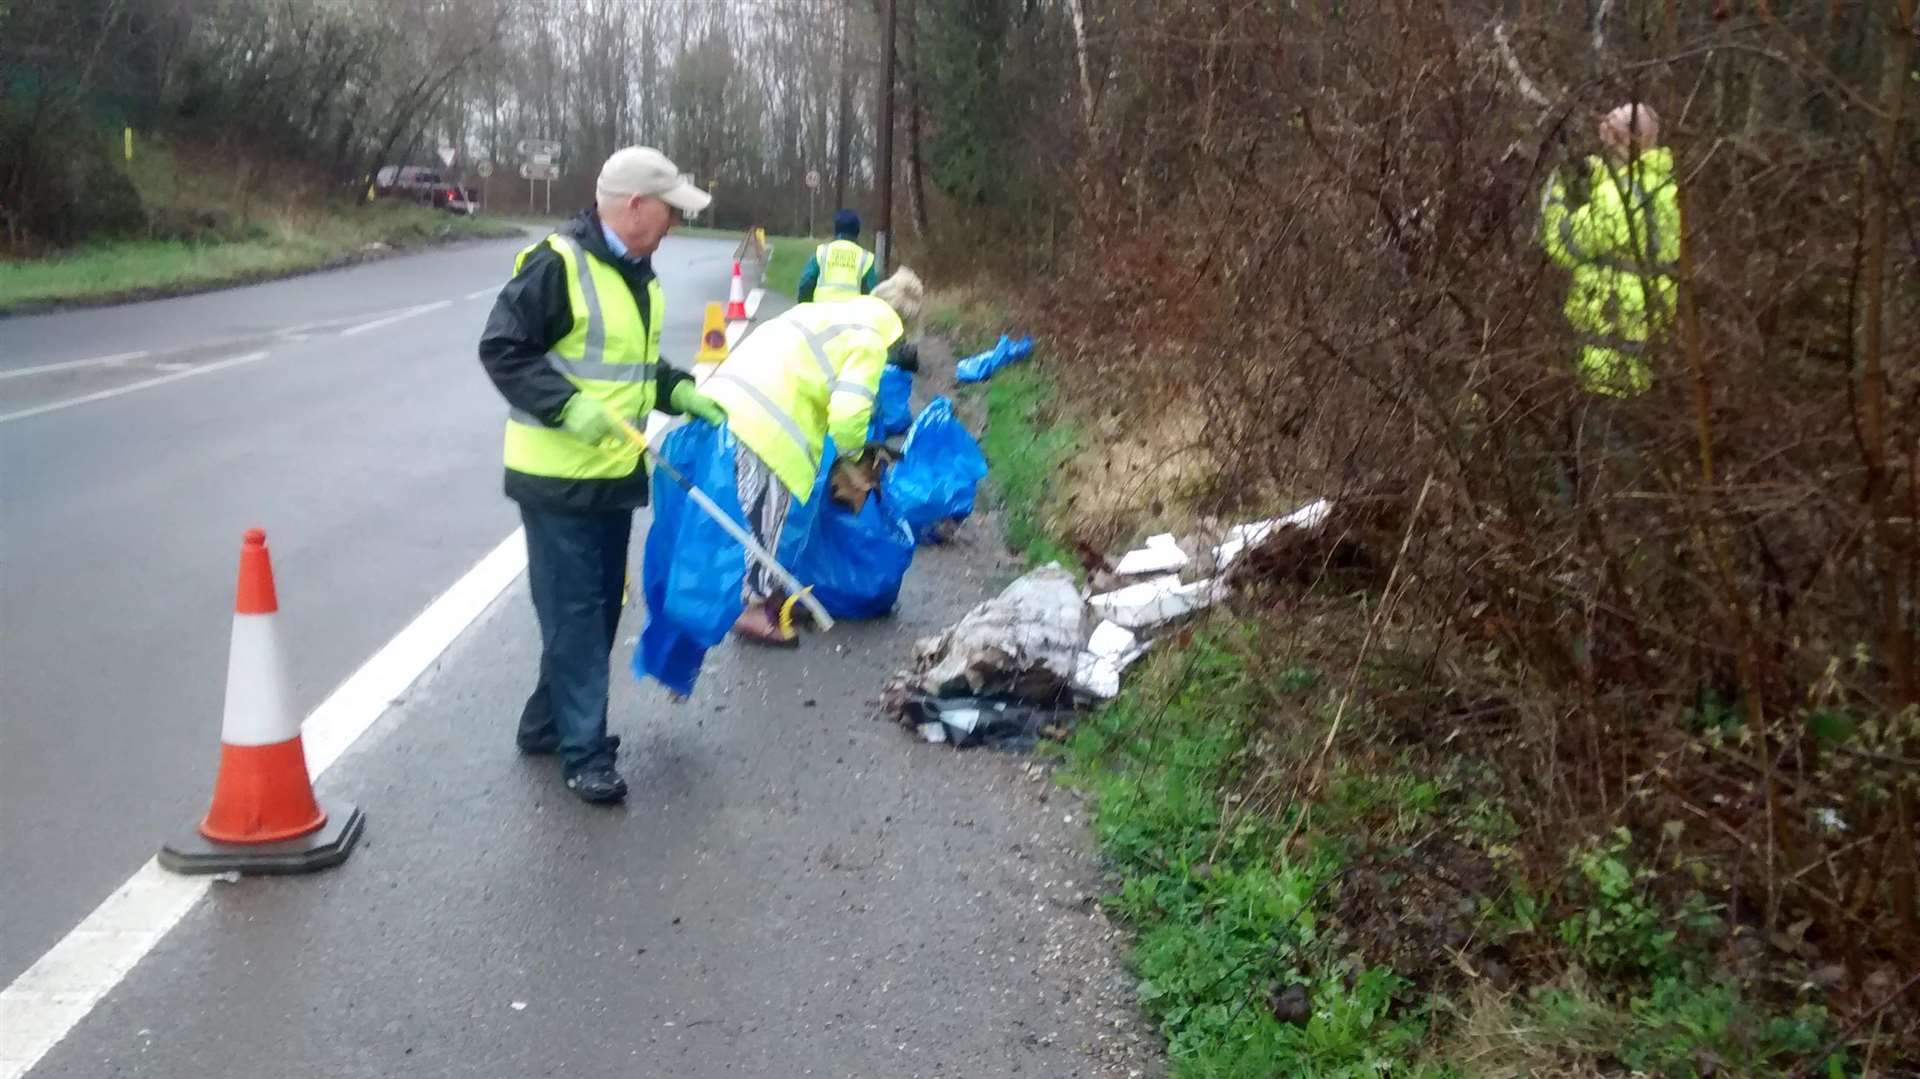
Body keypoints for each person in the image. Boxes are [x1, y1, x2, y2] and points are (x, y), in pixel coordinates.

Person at [477, 146, 728, 805]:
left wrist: (677, 392)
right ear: (635, 205)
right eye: (670, 210)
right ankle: (584, 752)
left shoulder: (638, 275)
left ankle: (546, 722)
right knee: (579, 610)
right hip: (556, 477)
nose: (675, 223)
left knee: (591, 608)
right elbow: (502, 346)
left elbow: (633, 370)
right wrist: (565, 405)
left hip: (613, 474)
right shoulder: (556, 266)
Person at [705, 267, 926, 644]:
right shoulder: (871, 339)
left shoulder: (836, 311)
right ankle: (753, 609)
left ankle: (765, 593)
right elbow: (849, 412)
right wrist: (855, 456)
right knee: (768, 516)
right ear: (903, 327)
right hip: (768, 413)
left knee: (762, 511)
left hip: (735, 390)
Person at [1540, 103, 1680, 398]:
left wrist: (1559, 193)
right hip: (1649, 354)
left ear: (1629, 138)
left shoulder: (1621, 196)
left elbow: (1562, 244)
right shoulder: (1666, 186)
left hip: (1611, 359)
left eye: (1614, 119)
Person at [795, 209, 879, 303]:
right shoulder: (865, 258)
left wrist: (804, 307)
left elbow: (806, 283)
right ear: (857, 231)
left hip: (821, 313)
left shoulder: (822, 252)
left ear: (836, 230)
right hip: (852, 316)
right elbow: (872, 295)